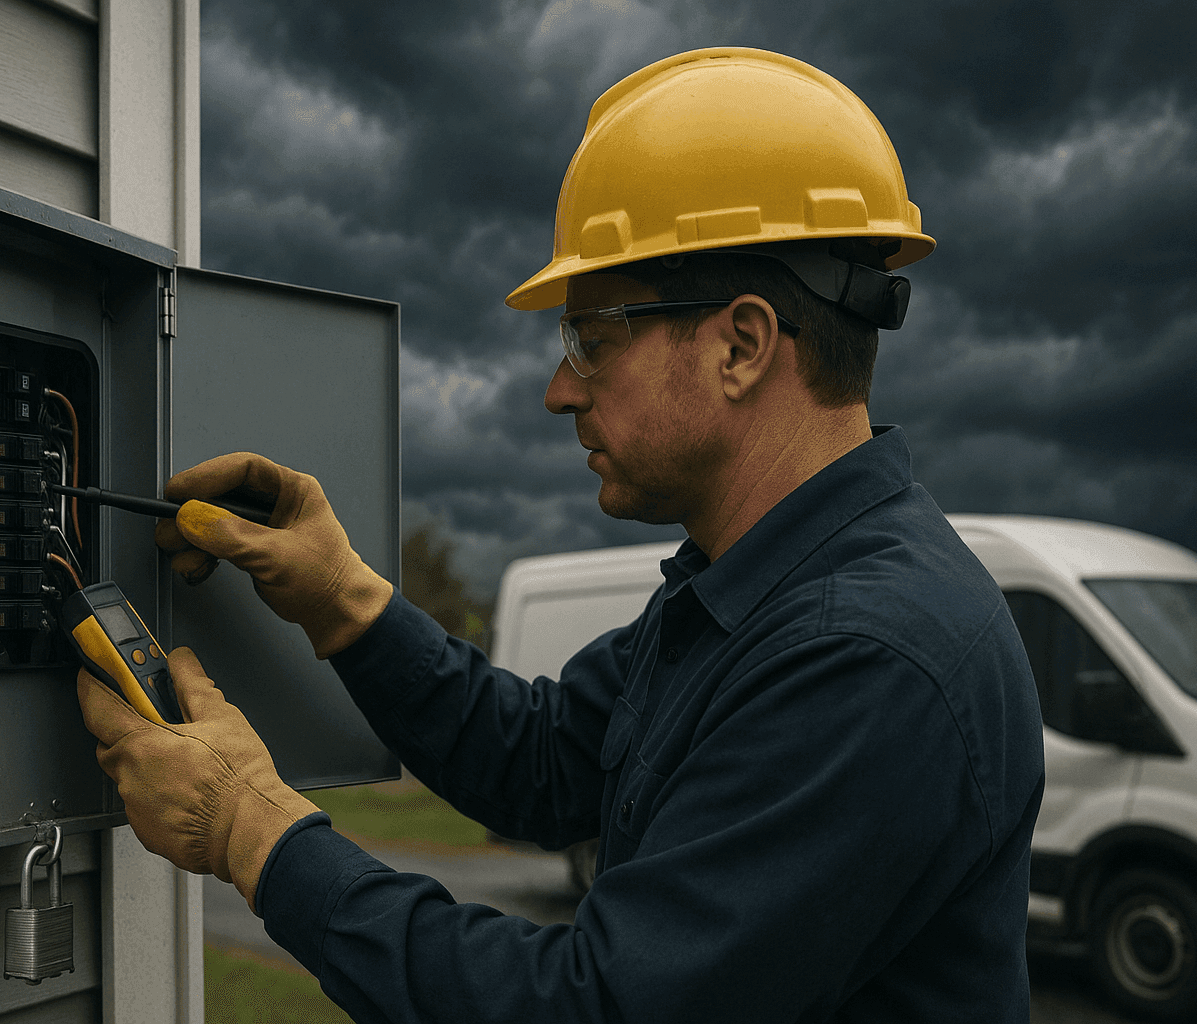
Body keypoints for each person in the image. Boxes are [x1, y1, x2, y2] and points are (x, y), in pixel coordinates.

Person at [77, 47, 1045, 1022]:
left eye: (593, 338)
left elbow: (595, 1008)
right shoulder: (749, 589)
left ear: (741, 346)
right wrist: (344, 599)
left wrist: (248, 827)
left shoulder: (865, 654)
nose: (559, 390)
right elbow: (539, 760)